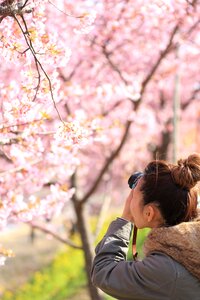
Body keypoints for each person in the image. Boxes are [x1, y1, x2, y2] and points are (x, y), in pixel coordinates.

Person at [91, 153, 200, 300]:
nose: (130, 199)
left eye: (133, 195)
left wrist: (125, 219)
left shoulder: (165, 270)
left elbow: (103, 272)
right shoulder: (189, 248)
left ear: (149, 213)